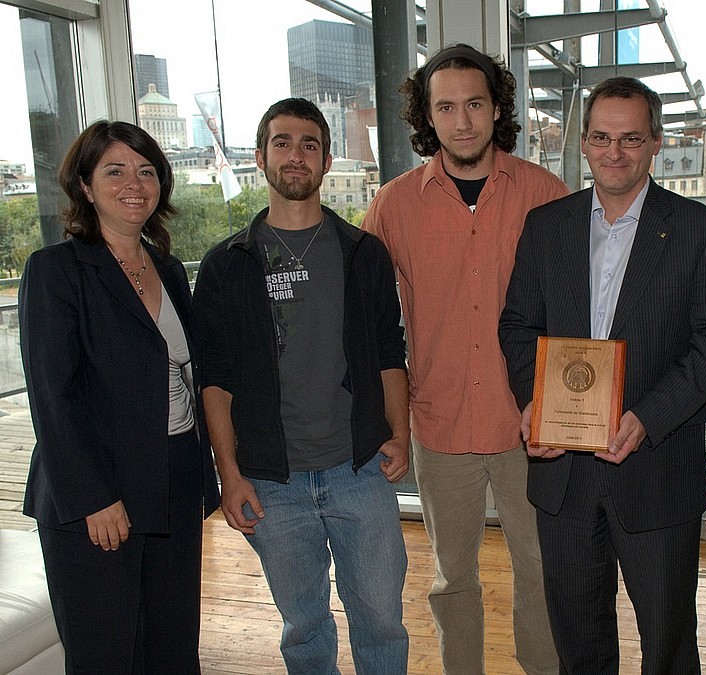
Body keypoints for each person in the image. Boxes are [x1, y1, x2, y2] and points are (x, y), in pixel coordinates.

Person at [499, 76, 706, 674]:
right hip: (563, 476)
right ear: (583, 142)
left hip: (656, 472)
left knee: (668, 646)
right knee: (579, 647)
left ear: (655, 142)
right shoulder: (546, 225)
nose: (615, 152)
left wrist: (648, 417)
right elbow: (517, 325)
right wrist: (535, 401)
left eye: (631, 138)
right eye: (602, 138)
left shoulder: (700, 229)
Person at [363, 43, 567, 675]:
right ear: (428, 116)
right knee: (451, 578)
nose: (462, 121)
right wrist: (385, 421)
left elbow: (578, 311)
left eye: (475, 104)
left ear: (496, 107)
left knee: (541, 568)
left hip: (529, 424)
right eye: (446, 107)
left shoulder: (546, 193)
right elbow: (365, 321)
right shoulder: (393, 205)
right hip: (440, 421)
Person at [193, 98, 409, 674]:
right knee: (304, 628)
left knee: (382, 619)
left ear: (327, 160)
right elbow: (215, 381)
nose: (296, 156)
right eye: (282, 143)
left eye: (309, 145)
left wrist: (400, 433)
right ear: (260, 156)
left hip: (359, 470)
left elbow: (390, 352)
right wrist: (229, 473)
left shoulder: (364, 254)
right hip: (272, 480)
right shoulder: (226, 266)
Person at [18, 120, 220, 673]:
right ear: (85, 186)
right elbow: (53, 399)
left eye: (146, 171)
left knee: (174, 651)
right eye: (115, 171)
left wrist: (206, 475)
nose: (134, 184)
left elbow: (187, 374)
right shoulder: (56, 271)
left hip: (173, 482)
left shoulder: (169, 269)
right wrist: (94, 497)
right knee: (107, 655)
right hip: (98, 495)